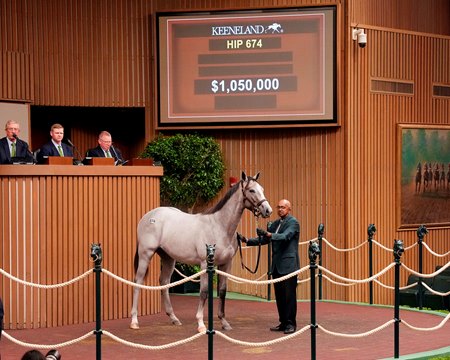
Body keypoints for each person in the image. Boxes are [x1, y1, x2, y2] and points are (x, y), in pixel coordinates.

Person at [238, 199, 300, 334]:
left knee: (289, 296)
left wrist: (268, 234)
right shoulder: (276, 224)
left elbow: (285, 236)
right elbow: (265, 240)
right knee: (279, 296)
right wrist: (246, 240)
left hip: (289, 266)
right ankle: (283, 322)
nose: (280, 209)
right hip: (276, 266)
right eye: (279, 207)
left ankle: (291, 324)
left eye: (283, 207)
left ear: (289, 209)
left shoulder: (293, 223)